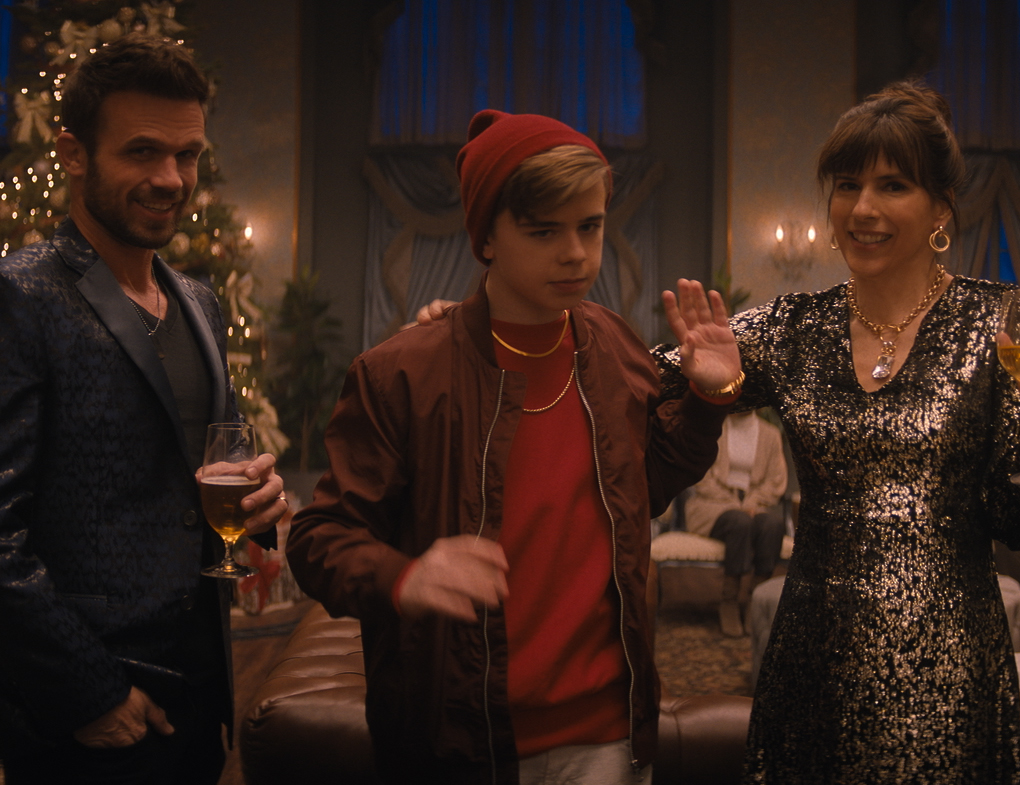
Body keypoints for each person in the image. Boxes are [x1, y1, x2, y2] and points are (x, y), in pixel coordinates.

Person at [285, 110, 742, 785]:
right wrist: (404, 577)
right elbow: (317, 538)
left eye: (590, 226)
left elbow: (645, 486)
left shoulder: (615, 346)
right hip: (459, 740)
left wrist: (709, 399)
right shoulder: (402, 373)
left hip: (608, 733)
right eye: (544, 231)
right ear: (486, 239)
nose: (576, 253)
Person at [656, 81, 1020, 783]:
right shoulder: (793, 328)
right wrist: (717, 389)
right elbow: (639, 381)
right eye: (847, 185)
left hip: (948, 673)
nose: (863, 208)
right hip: (814, 668)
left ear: (941, 207)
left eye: (893, 185)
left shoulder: (997, 324)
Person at [0, 36, 289, 785]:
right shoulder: (11, 300)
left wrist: (258, 502)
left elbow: (199, 464)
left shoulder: (200, 302)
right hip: (89, 715)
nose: (170, 178)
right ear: (73, 153)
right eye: (143, 152)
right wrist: (87, 694)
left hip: (200, 693)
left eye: (187, 155)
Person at [679, 409, 789, 638]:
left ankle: (754, 600)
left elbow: (776, 480)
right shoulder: (713, 429)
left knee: (773, 525)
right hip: (712, 504)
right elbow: (701, 477)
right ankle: (728, 601)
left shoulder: (770, 434)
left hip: (755, 503)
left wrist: (752, 502)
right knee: (740, 522)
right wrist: (735, 504)